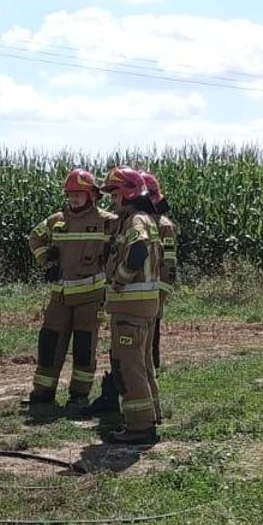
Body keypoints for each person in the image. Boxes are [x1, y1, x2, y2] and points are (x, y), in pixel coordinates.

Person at [26, 169, 116, 408]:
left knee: (84, 347)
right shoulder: (57, 221)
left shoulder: (106, 222)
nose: (74, 199)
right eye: (70, 194)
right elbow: (34, 238)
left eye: (79, 194)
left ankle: (79, 395)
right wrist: (47, 258)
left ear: (92, 196)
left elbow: (118, 250)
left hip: (90, 296)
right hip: (60, 296)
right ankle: (43, 393)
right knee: (49, 343)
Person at [98, 167, 164, 445]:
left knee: (129, 366)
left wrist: (120, 281)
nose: (111, 200)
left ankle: (139, 427)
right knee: (143, 363)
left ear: (127, 193)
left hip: (132, 307)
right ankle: (151, 415)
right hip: (142, 307)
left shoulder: (136, 221)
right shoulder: (145, 218)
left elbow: (138, 251)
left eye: (114, 193)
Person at [141, 171, 177, 370]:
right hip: (135, 289)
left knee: (152, 332)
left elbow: (169, 263)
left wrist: (161, 293)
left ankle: (153, 368)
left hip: (154, 288)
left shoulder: (164, 226)